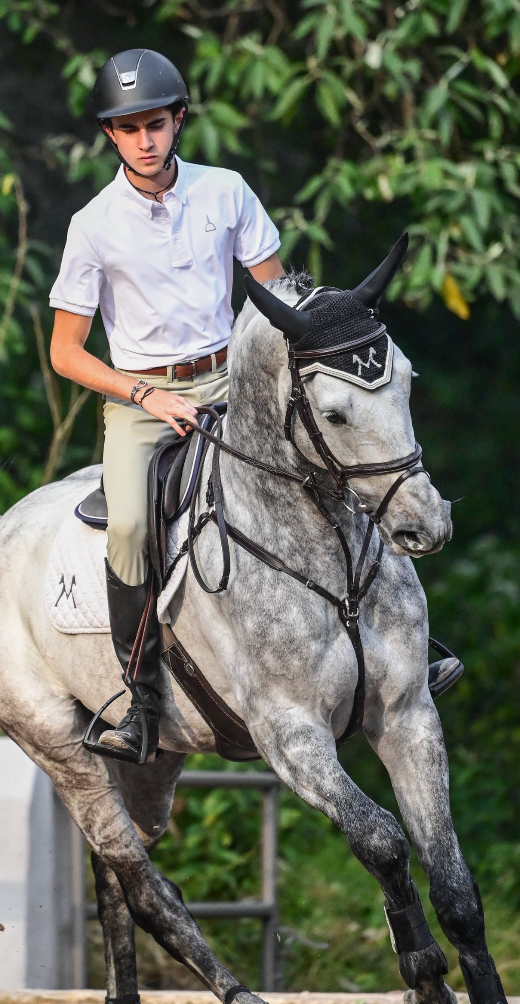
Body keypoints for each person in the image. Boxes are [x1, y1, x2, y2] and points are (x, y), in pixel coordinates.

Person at [49, 48, 284, 763]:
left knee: (334, 445)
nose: (144, 140)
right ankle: (138, 701)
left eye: (155, 123)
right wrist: (145, 392)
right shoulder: (92, 225)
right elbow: (66, 352)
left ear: (178, 120)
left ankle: (397, 633)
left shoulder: (227, 191)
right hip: (142, 397)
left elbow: (275, 299)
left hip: (232, 375)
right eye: (128, 129)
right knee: (126, 523)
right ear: (111, 136)